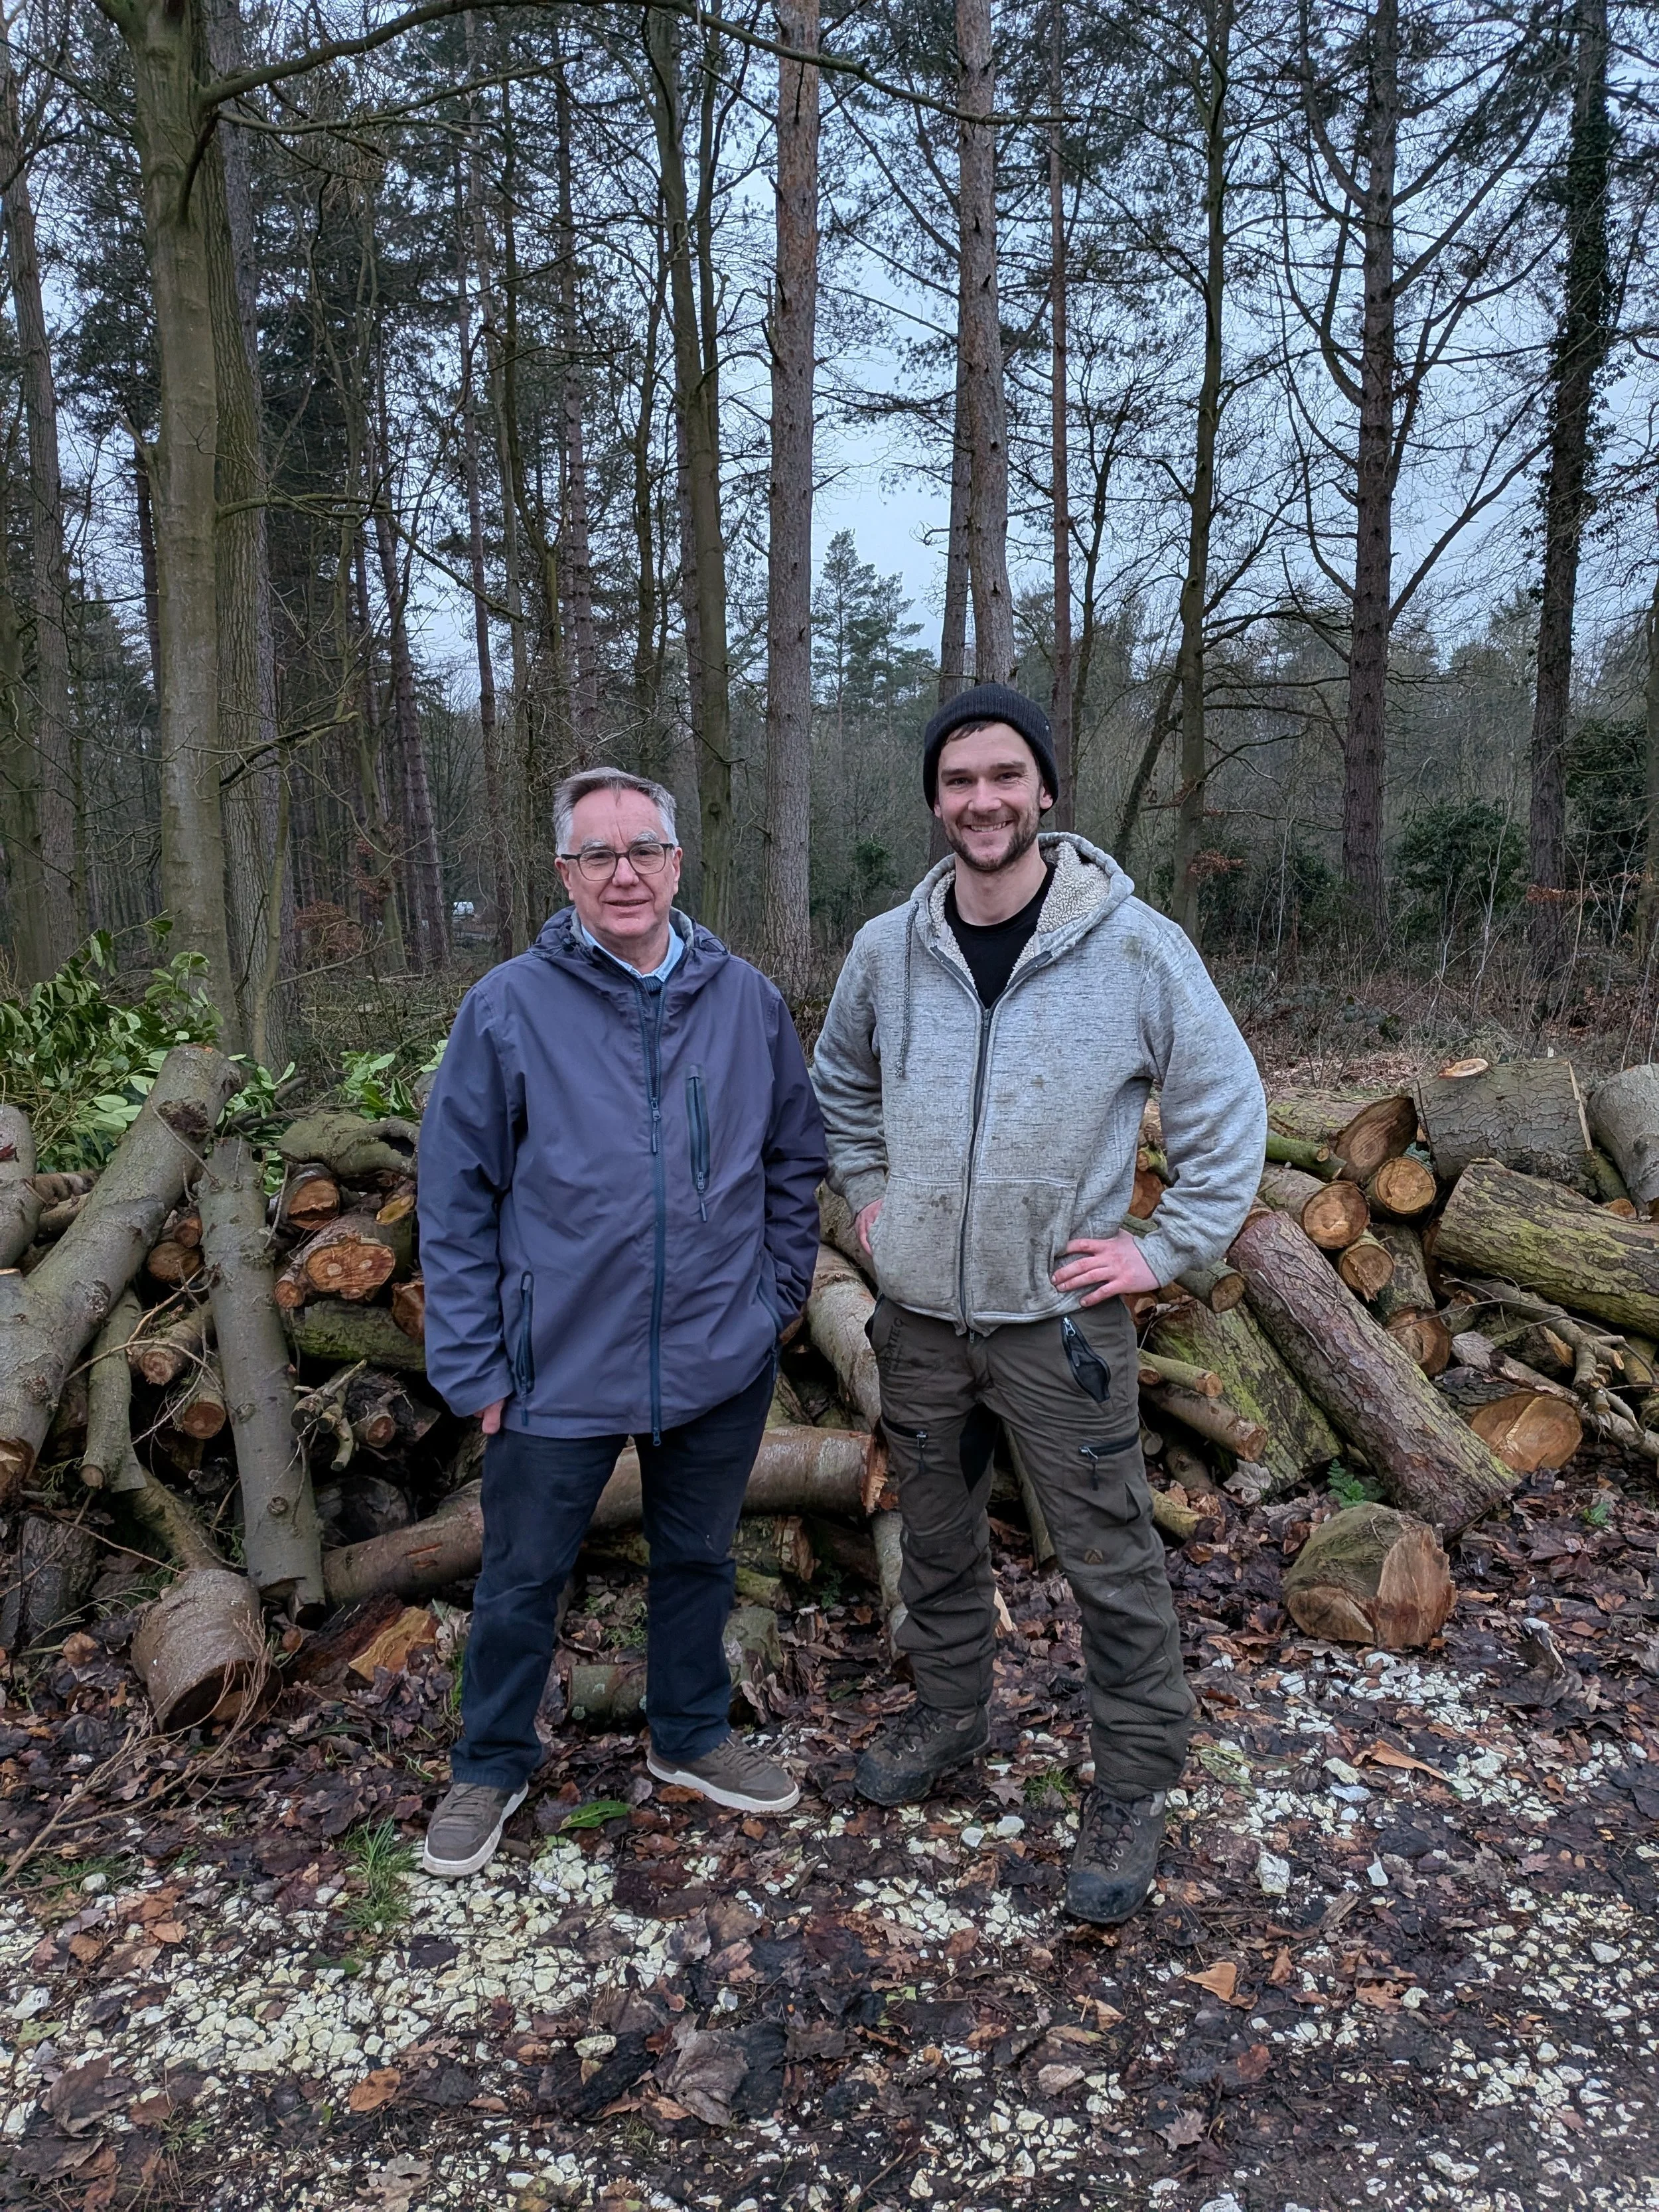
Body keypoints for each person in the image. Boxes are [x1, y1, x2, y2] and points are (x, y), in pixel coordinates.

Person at [812, 683, 1265, 1924]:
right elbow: (838, 1083)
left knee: (1109, 1556)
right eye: (959, 781)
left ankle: (1135, 1781)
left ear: (1045, 790)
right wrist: (870, 1199)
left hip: (1061, 1329)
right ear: (935, 802)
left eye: (1005, 775)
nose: (983, 800)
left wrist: (1165, 1249)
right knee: (937, 1540)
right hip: (918, 1322)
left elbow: (1227, 1105)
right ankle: (951, 1712)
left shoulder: (1134, 946)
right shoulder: (887, 950)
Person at [417, 767, 827, 1878]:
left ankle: (688, 1733)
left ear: (677, 864)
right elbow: (454, 1193)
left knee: (698, 1558)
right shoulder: (507, 1006)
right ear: (565, 875)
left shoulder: (745, 1002)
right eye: (597, 855)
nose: (624, 874)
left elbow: (795, 1157)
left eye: (643, 849)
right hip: (556, 1361)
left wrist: (775, 1300)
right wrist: (474, 1361)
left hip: (717, 1351)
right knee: (521, 1575)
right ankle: (490, 1764)